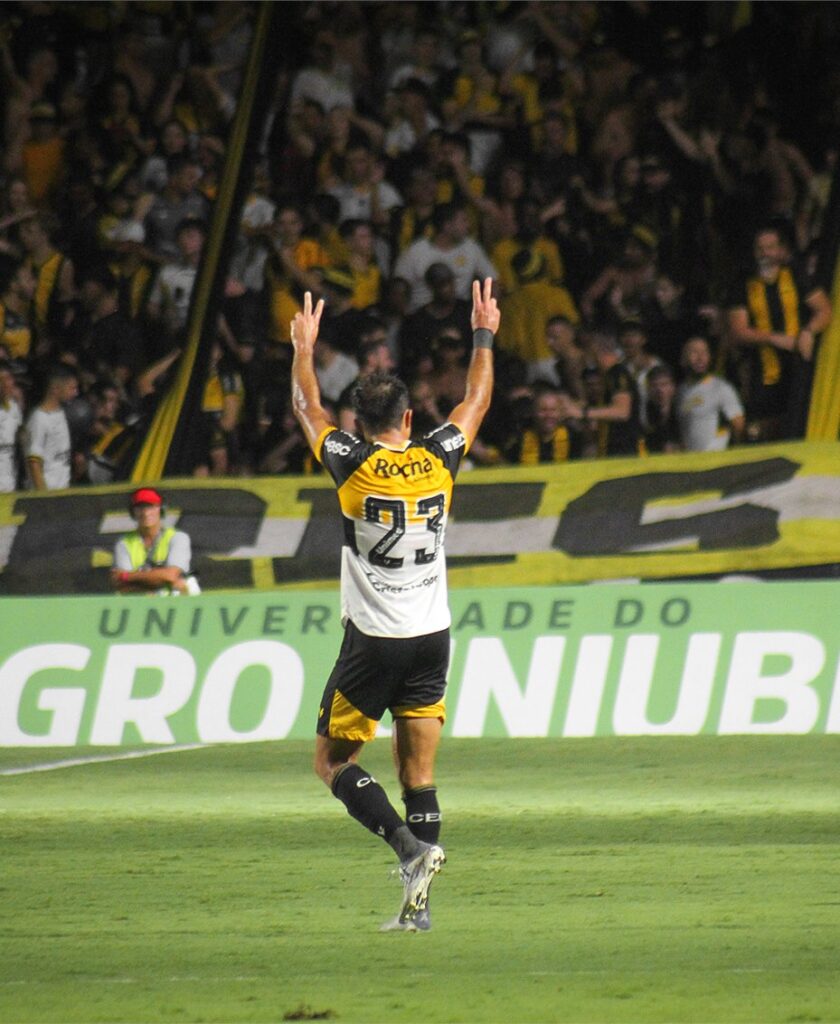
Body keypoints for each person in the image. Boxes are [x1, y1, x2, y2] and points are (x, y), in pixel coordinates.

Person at [289, 280, 498, 932]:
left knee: (332, 762)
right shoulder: (439, 456)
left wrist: (303, 347)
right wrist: (483, 333)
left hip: (375, 640)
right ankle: (418, 908)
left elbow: (306, 405)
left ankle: (409, 849)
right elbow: (476, 399)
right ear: (409, 419)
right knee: (419, 774)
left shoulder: (349, 462)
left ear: (361, 423)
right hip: (433, 633)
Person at [111, 486, 197, 595]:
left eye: (151, 507)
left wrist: (127, 576)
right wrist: (164, 581)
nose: (146, 513)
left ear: (161, 509)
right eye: (140, 507)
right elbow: (122, 587)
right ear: (133, 512)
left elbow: (170, 576)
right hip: (137, 607)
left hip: (177, 607)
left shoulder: (178, 538)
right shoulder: (123, 543)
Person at [676, 336, 745, 452]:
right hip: (691, 461)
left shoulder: (721, 388)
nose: (700, 357)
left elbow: (738, 424)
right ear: (683, 358)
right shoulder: (681, 392)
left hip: (717, 460)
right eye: (694, 352)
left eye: (704, 352)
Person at [23, 362, 77, 490]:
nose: (75, 393)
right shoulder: (39, 419)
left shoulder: (63, 414)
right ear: (56, 389)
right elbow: (34, 462)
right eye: (71, 388)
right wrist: (45, 497)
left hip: (62, 492)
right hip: (47, 494)